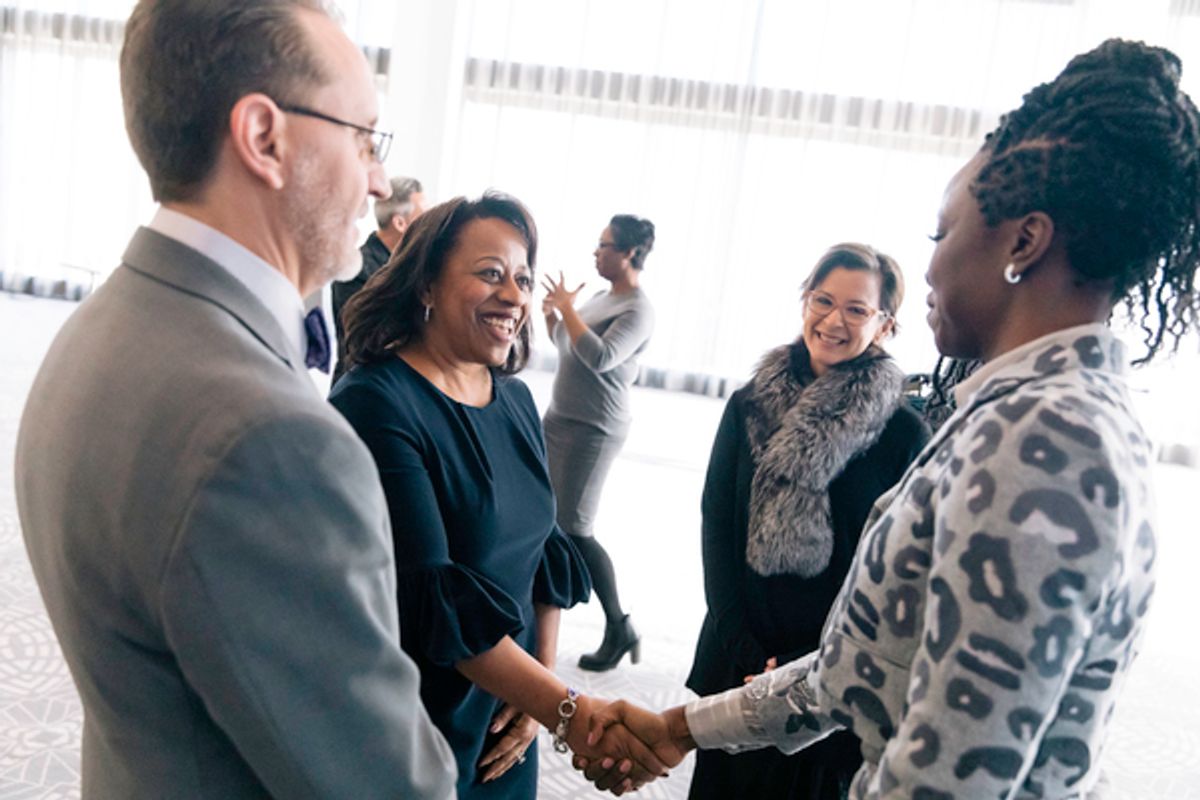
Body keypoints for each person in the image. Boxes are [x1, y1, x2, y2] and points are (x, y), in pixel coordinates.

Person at [580, 38, 1200, 799]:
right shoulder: (1019, 414)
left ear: (1023, 243)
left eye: (942, 233)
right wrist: (681, 727)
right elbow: (856, 670)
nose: (931, 267)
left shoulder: (1045, 447)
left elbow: (947, 782)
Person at [13, 2, 457, 798]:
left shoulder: (98, 327)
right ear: (264, 138)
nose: (381, 180)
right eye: (364, 136)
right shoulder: (272, 439)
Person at [331, 192, 670, 799]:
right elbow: (431, 596)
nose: (515, 296)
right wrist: (570, 711)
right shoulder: (375, 404)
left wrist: (538, 692)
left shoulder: (511, 397)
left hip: (508, 714)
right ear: (427, 284)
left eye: (521, 277)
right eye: (490, 274)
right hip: (415, 724)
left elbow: (543, 552)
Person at [686, 243, 930, 800]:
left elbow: (890, 573)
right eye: (823, 300)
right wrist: (744, 645)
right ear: (804, 302)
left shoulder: (903, 433)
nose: (833, 320)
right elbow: (716, 523)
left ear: (885, 325)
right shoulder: (749, 402)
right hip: (737, 648)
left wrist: (807, 665)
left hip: (830, 673)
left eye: (856, 309)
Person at [541, 214, 656, 671]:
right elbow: (566, 343)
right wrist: (553, 312)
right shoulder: (601, 297)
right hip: (560, 418)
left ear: (629, 252)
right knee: (546, 518)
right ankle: (539, 614)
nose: (596, 251)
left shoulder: (638, 310)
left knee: (575, 528)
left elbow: (601, 357)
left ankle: (619, 625)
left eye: (604, 245)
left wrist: (569, 311)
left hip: (594, 428)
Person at [332, 175, 426, 381]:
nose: (430, 225)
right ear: (400, 223)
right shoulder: (356, 269)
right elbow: (367, 340)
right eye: (424, 216)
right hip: (361, 391)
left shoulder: (415, 269)